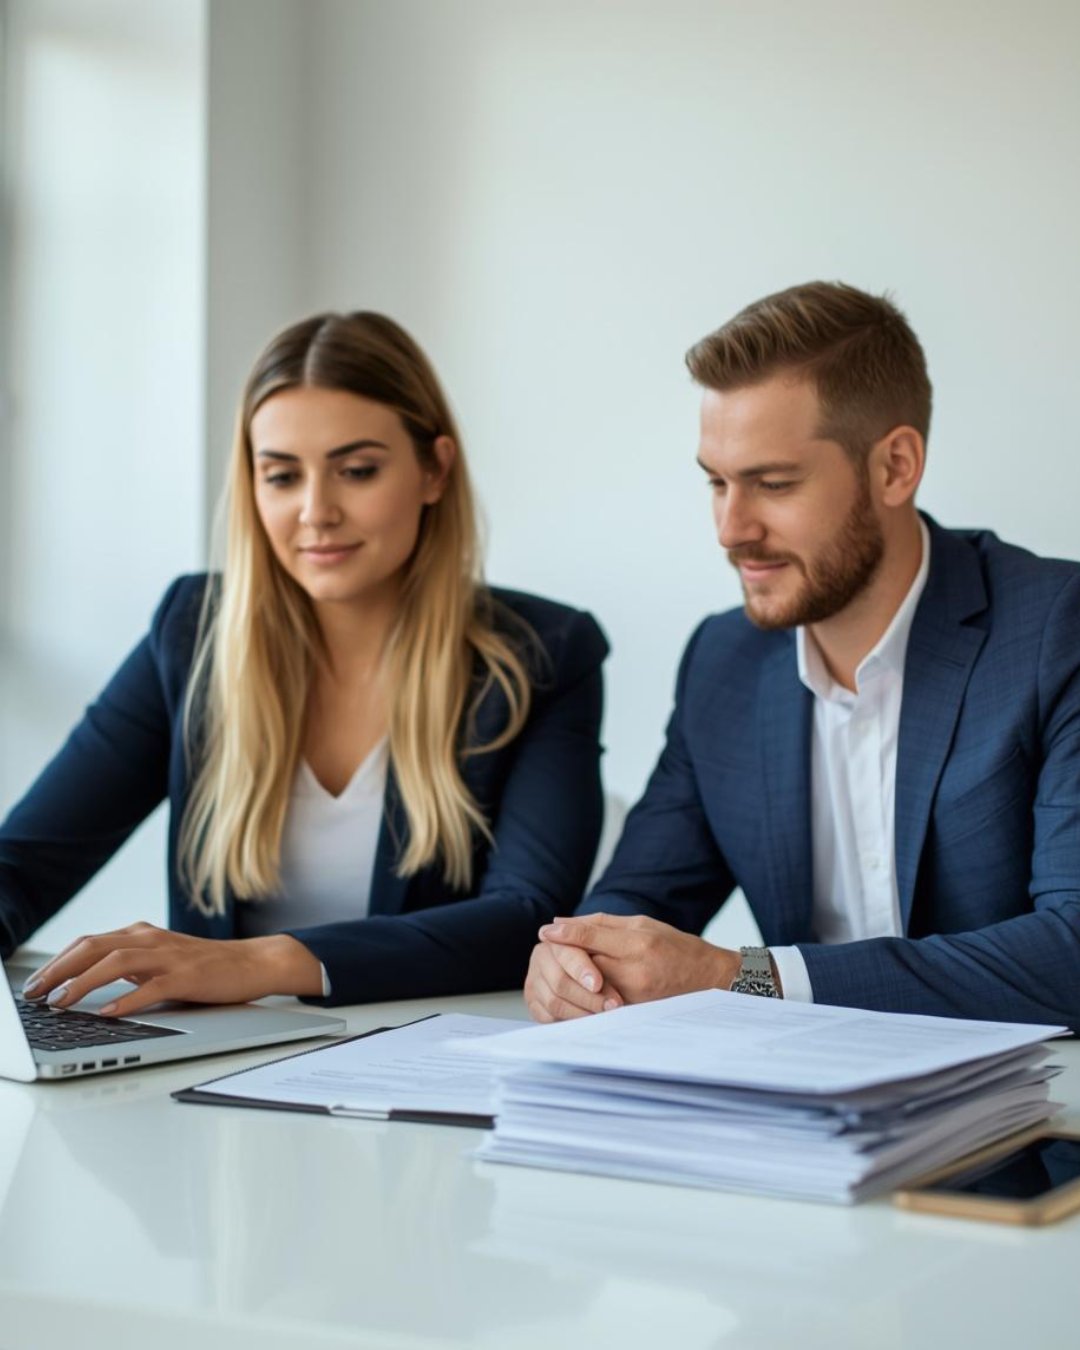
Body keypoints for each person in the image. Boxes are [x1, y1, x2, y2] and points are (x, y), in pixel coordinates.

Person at [0, 311, 608, 1012]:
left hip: (425, 1065)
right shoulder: (194, 632)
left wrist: (269, 961)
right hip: (212, 1067)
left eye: (356, 471)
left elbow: (527, 917)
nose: (316, 512)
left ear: (434, 470)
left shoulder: (541, 654)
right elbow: (25, 866)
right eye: (282, 476)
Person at [526, 280, 1080, 1029]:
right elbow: (642, 895)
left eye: (773, 484)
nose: (730, 528)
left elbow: (1070, 951)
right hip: (799, 1124)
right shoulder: (723, 660)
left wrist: (744, 976)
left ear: (895, 466)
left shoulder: (1053, 630)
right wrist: (577, 960)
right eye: (717, 483)